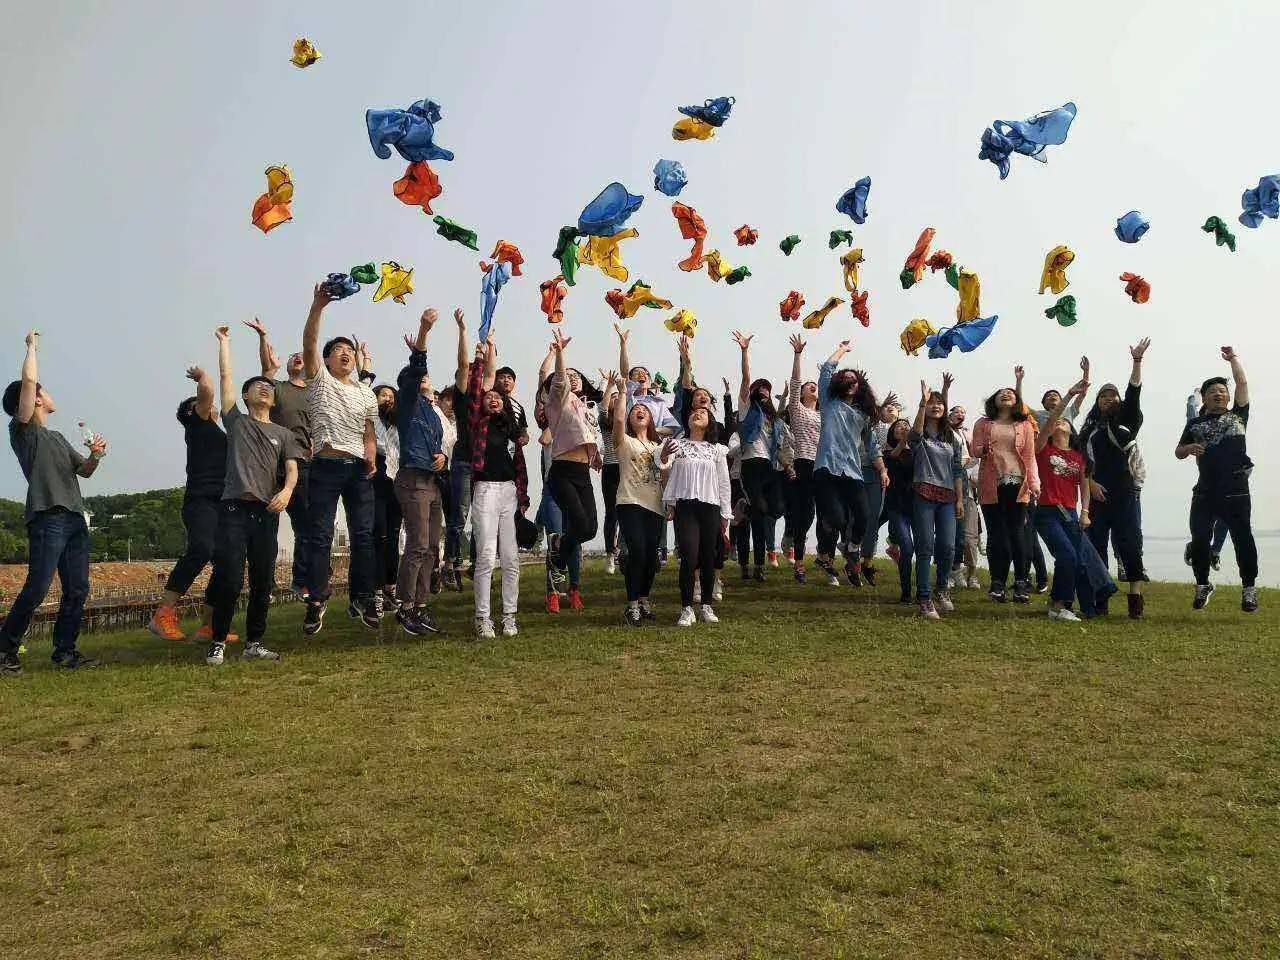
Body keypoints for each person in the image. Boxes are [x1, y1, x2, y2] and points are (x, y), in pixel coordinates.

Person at [0, 331, 106, 673]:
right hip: (48, 517)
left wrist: (95, 455)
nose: (47, 394)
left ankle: (65, 653)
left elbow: (85, 471)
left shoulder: (57, 437)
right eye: (41, 392)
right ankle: (4, 650)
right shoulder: (23, 432)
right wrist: (31, 348)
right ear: (34, 400)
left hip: (75, 518)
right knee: (38, 586)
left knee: (77, 588)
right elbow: (29, 382)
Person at [204, 326, 302, 666]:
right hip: (233, 510)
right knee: (230, 579)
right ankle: (218, 641)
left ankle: (254, 643)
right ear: (245, 397)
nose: (264, 388)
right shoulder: (237, 422)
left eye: (268, 387)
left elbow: (292, 468)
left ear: (274, 399)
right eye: (256, 386)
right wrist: (225, 343)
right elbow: (226, 377)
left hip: (266, 513)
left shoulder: (284, 434)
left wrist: (287, 491)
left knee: (263, 581)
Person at [298, 284, 380, 634]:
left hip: (358, 470)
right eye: (337, 350)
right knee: (320, 537)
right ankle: (317, 599)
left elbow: (369, 430)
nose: (344, 353)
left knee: (363, 535)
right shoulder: (320, 381)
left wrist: (371, 456)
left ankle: (362, 597)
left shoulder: (365, 392)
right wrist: (318, 306)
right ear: (328, 360)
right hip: (325, 467)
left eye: (349, 350)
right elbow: (310, 343)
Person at [148, 362, 233, 644]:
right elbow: (207, 391)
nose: (208, 405)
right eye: (200, 403)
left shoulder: (216, 431)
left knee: (226, 561)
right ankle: (163, 614)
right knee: (202, 549)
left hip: (222, 502)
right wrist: (202, 377)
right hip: (201, 501)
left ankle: (209, 627)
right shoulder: (197, 425)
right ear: (192, 410)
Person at [1177, 346, 1258, 613]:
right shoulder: (1194, 425)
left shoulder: (1238, 416)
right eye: (1212, 392)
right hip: (1205, 492)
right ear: (1205, 398)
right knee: (1200, 539)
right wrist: (1188, 449)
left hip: (1236, 491)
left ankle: (1248, 589)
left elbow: (1242, 383)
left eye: (1222, 391)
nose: (1218, 394)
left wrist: (1233, 359)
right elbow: (1178, 451)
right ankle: (1202, 584)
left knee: (1242, 539)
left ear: (1228, 396)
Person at [391, 308, 454, 635]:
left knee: (431, 547)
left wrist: (442, 457)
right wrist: (424, 330)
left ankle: (420, 604)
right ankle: (404, 606)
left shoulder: (432, 413)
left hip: (432, 483)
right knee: (417, 544)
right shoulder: (407, 404)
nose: (425, 378)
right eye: (419, 378)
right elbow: (417, 367)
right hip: (413, 479)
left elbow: (438, 445)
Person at [1079, 339, 1150, 618]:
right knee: (1096, 546)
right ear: (1097, 402)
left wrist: (1137, 362)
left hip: (1125, 493)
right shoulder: (1089, 430)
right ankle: (1101, 600)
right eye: (1104, 396)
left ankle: (1135, 600)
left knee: (1130, 543)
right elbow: (1080, 462)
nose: (1109, 399)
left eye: (1113, 396)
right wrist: (1090, 484)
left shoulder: (1128, 421)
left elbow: (1134, 391)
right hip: (1096, 495)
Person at [464, 341, 529, 639]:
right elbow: (476, 388)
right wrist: (482, 357)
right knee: (487, 556)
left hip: (508, 493)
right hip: (485, 491)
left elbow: (521, 470)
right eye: (488, 397)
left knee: (511, 558)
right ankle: (483, 617)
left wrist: (522, 498)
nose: (493, 399)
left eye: (498, 398)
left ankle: (509, 616)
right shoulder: (478, 424)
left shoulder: (511, 432)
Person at [245, 318, 312, 597]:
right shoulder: (278, 389)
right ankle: (265, 584)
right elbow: (265, 371)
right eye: (293, 356)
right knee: (266, 525)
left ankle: (301, 581)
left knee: (305, 526)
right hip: (271, 462)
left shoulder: (314, 391)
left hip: (303, 463)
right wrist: (263, 337)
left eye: (302, 355)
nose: (298, 357)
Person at [812, 339, 887, 586]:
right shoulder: (828, 402)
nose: (850, 381)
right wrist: (842, 350)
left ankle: (851, 548)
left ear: (859, 387)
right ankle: (830, 544)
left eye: (854, 380)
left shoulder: (863, 415)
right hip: (826, 468)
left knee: (864, 517)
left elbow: (872, 447)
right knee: (838, 519)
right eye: (846, 378)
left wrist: (882, 470)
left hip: (852, 472)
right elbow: (826, 370)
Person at [544, 327, 603, 610]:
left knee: (590, 529)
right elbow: (558, 382)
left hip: (583, 473)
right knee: (579, 523)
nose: (572, 378)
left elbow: (589, 435)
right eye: (569, 375)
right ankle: (558, 558)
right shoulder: (558, 402)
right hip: (562, 471)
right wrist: (560, 355)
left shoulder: (586, 408)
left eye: (577, 375)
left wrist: (596, 455)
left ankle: (558, 548)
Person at [971, 366, 1040, 603]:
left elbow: (1030, 457)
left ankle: (1021, 582)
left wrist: (1034, 483)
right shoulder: (983, 423)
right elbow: (975, 450)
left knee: (1017, 534)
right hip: (991, 483)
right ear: (994, 401)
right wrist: (983, 449)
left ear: (1016, 400)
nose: (1006, 394)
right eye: (1001, 393)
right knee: (996, 534)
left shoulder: (1025, 425)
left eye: (1010, 392)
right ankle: (997, 582)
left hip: (1018, 483)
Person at [602, 372, 665, 625]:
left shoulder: (659, 446)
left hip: (655, 505)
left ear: (651, 420)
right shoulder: (624, 441)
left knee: (651, 556)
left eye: (645, 410)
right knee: (637, 551)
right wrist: (623, 393)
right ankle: (632, 605)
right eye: (635, 410)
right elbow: (617, 420)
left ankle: (644, 600)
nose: (639, 411)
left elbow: (665, 475)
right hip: (630, 502)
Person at [660, 406, 732, 626]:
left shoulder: (716, 450)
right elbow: (663, 466)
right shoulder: (677, 445)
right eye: (693, 412)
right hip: (685, 507)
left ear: (710, 422)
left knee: (708, 557)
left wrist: (725, 513)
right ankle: (687, 608)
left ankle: (706, 606)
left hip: (710, 507)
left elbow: (723, 483)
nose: (697, 414)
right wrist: (670, 503)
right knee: (689, 557)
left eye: (703, 412)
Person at [1033, 375, 1094, 621]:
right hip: (1047, 511)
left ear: (1071, 428)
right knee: (1067, 555)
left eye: (1064, 421)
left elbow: (1085, 486)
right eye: (1056, 421)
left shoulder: (1079, 456)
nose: (1060, 422)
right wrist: (1069, 394)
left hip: (1070, 513)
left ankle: (1056, 602)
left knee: (1074, 559)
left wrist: (1085, 512)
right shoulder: (1043, 447)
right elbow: (1050, 421)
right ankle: (1060, 608)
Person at [731, 330, 787, 581]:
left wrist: (788, 466)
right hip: (751, 465)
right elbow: (746, 378)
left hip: (768, 467)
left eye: (767, 389)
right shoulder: (746, 410)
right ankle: (756, 566)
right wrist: (745, 351)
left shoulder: (773, 420)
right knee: (759, 513)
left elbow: (782, 446)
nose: (764, 391)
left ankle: (744, 506)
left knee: (775, 508)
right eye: (760, 389)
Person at [908, 377, 964, 619]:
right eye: (932, 403)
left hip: (948, 497)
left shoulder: (951, 438)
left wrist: (959, 499)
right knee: (925, 546)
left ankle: (942, 590)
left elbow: (957, 469)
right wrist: (922, 403)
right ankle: (924, 597)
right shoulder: (920, 434)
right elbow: (913, 437)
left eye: (939, 403)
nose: (935, 406)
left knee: (948, 546)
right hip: (923, 493)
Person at [783, 334, 820, 584]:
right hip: (801, 464)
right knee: (801, 513)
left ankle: (820, 553)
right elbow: (795, 383)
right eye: (809, 385)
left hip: (821, 467)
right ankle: (798, 562)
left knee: (812, 514)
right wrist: (797, 355)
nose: (812, 386)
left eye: (815, 385)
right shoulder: (796, 410)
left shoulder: (824, 415)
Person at [1182, 387, 1231, 572]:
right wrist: (1194, 396)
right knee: (1204, 526)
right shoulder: (1197, 427)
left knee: (1226, 517)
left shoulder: (1227, 423)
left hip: (1229, 482)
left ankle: (1215, 551)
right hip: (1208, 483)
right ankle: (1195, 546)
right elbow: (1191, 412)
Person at [858, 391, 902, 585]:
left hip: (887, 475)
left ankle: (868, 559)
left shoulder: (902, 429)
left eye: (894, 408)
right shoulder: (874, 425)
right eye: (887, 408)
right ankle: (857, 553)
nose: (890, 409)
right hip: (867, 469)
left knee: (876, 517)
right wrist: (880, 406)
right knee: (866, 517)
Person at [371, 382, 403, 612]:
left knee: (393, 537)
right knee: (379, 536)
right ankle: (376, 591)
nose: (388, 399)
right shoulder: (371, 421)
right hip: (376, 481)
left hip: (396, 483)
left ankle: (391, 588)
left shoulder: (398, 425)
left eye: (391, 396)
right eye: (383, 395)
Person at [947, 405, 983, 589]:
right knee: (950, 536)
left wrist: (967, 475)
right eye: (956, 411)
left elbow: (978, 476)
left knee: (969, 539)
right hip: (948, 492)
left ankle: (972, 574)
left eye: (963, 412)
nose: (960, 414)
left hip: (968, 495)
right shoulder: (947, 435)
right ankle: (952, 571)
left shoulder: (968, 437)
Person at [882, 418, 916, 603]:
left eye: (906, 426)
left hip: (918, 506)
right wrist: (904, 442)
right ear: (892, 432)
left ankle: (924, 591)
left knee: (923, 548)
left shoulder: (918, 451)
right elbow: (893, 458)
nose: (902, 428)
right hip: (896, 507)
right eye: (898, 426)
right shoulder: (887, 453)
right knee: (907, 548)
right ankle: (906, 592)